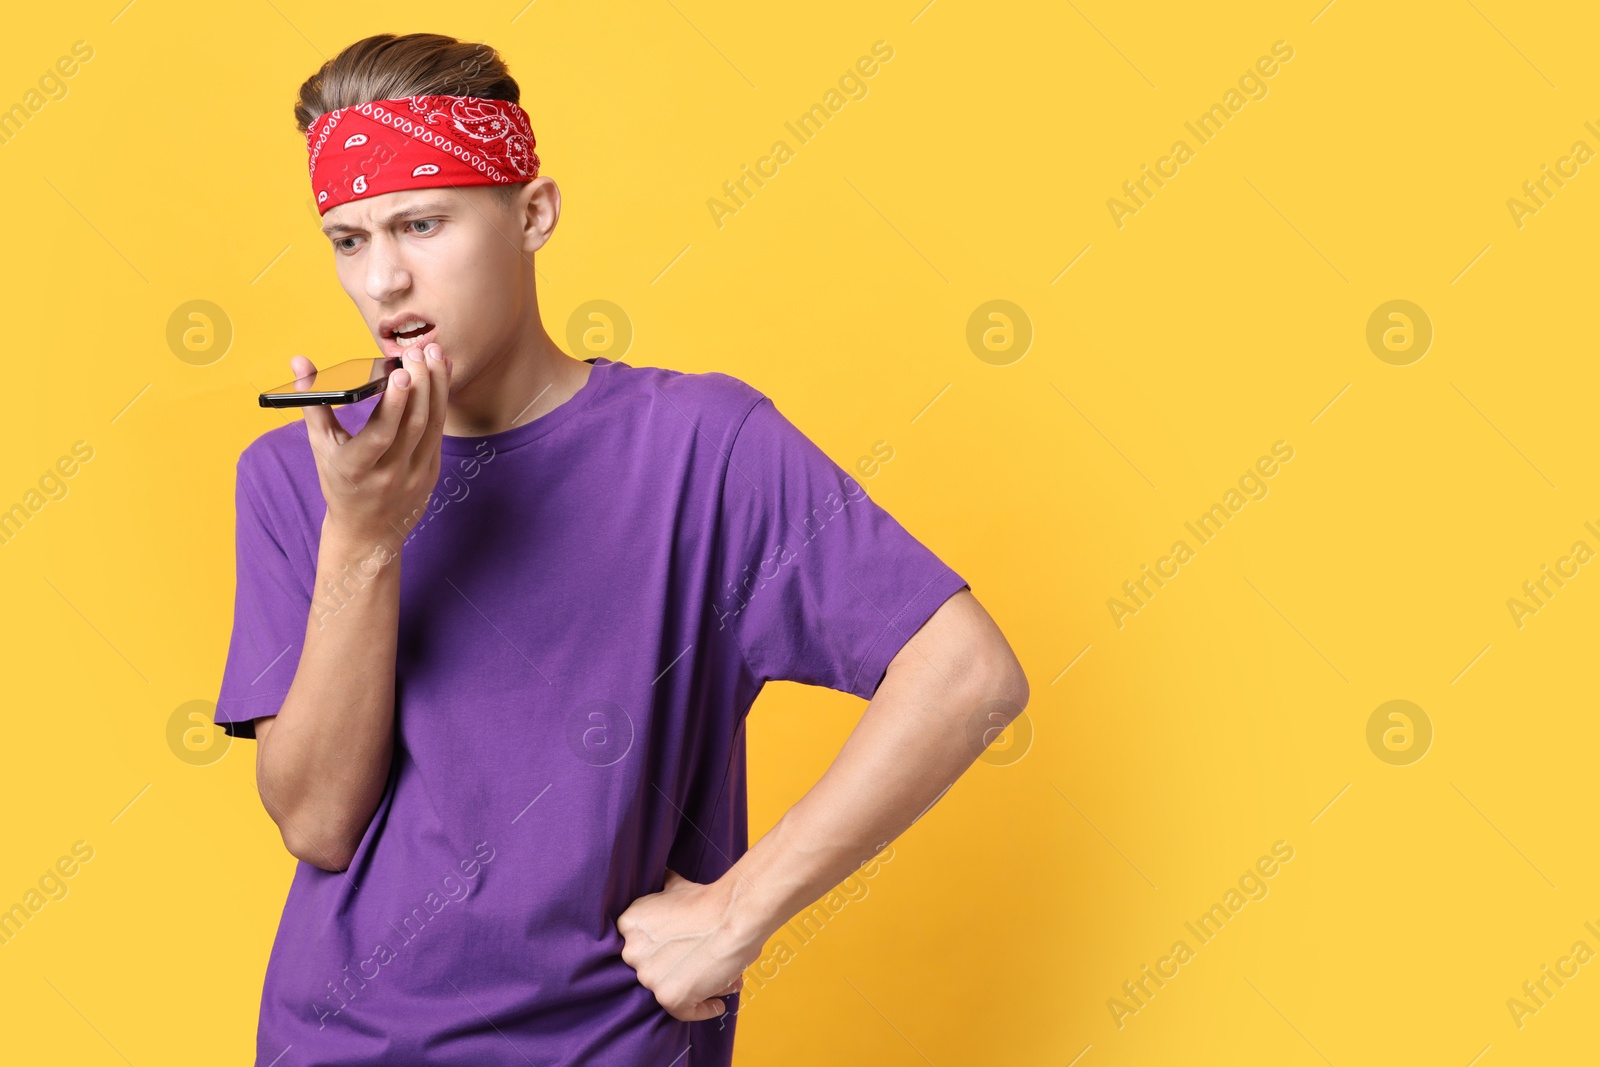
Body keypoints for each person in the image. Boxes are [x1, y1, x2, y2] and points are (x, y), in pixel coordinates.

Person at [215, 31, 1029, 1066]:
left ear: (532, 214)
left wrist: (737, 912)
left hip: (610, 1045)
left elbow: (967, 675)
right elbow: (319, 823)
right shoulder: (301, 475)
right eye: (347, 238)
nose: (382, 279)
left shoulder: (706, 448)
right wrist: (365, 541)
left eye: (421, 223)